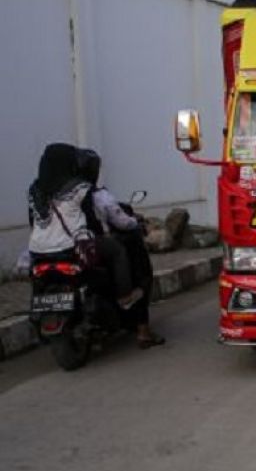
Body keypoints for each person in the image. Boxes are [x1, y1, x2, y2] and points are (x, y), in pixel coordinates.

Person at [26, 143, 142, 310]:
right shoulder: (80, 187)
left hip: (38, 250)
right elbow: (92, 217)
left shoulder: (34, 190)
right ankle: (125, 296)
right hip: (72, 246)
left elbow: (32, 220)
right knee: (117, 250)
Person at [77, 150, 164, 348]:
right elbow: (121, 222)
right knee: (141, 273)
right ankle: (143, 330)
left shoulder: (60, 196)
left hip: (69, 249)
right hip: (97, 246)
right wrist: (136, 223)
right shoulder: (97, 194)